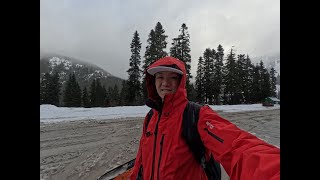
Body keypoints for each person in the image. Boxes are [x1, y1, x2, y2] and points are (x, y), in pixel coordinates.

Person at [130, 56, 280, 180]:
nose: (165, 83)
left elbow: (236, 146)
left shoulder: (197, 114)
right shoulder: (151, 117)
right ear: (153, 81)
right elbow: (141, 160)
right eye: (160, 77)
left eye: (172, 78)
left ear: (181, 82)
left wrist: (273, 170)